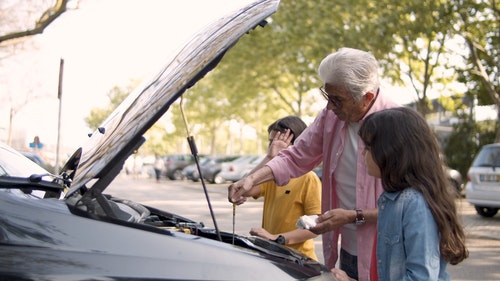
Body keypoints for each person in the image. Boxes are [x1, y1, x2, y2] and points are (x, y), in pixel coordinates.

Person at [229, 47, 400, 281]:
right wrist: (251, 179)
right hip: (349, 251)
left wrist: (353, 216)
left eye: (337, 100)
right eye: (326, 96)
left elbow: (408, 207)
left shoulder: (398, 124)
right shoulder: (330, 117)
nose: (329, 106)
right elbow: (295, 156)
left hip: (388, 253)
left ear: (366, 97)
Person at [331, 107, 468, 281]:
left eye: (369, 147)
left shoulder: (415, 204)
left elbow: (421, 278)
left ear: (391, 151)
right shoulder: (390, 200)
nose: (363, 153)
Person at [233, 116, 322, 260]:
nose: (272, 146)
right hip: (272, 256)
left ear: (296, 144)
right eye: (270, 142)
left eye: (276, 142)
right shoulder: (272, 176)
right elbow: (242, 190)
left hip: (298, 260)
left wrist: (276, 238)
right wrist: (270, 157)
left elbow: (315, 228)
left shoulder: (308, 178)